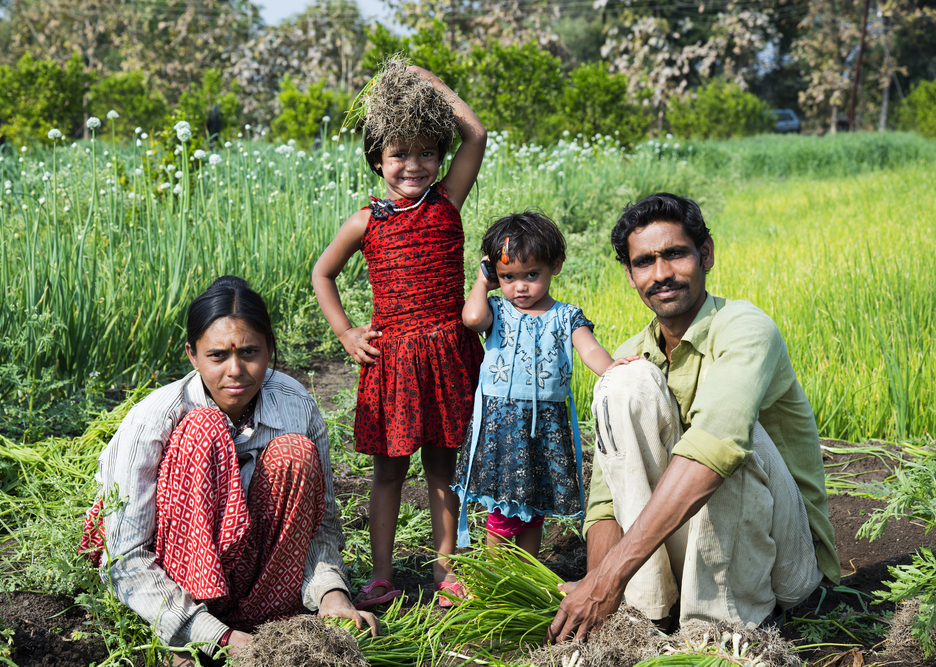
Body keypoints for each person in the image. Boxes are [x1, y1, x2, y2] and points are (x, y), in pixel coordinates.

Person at [547, 193, 840, 642]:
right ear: (629, 275)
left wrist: (609, 579)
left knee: (729, 442)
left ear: (706, 254)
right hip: (685, 556)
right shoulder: (628, 357)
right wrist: (595, 584)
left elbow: (715, 447)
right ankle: (643, 616)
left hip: (783, 564)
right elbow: (608, 498)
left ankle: (718, 631)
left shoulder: (744, 327)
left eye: (676, 254)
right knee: (622, 383)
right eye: (644, 261)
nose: (661, 274)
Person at [79, 276, 378, 665]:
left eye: (250, 352)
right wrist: (213, 636)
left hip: (261, 585)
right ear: (193, 355)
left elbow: (321, 523)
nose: (235, 370)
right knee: (204, 430)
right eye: (217, 355)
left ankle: (264, 623)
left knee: (295, 453)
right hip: (175, 585)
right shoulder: (154, 420)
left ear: (270, 349)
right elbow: (123, 557)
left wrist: (331, 594)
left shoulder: (295, 405)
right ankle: (190, 639)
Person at [312, 60, 485, 608]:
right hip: (392, 360)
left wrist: (425, 84)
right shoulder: (367, 220)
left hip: (446, 354)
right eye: (398, 154)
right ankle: (382, 574)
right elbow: (322, 274)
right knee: (387, 473)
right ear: (377, 160)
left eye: (426, 152)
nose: (414, 165)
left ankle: (446, 571)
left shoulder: (446, 202)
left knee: (442, 469)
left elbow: (475, 133)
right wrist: (345, 332)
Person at [452, 212, 632, 558]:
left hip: (546, 424)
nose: (520, 287)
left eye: (531, 275)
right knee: (504, 510)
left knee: (535, 509)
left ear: (556, 266)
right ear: (495, 276)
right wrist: (481, 281)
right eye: (508, 277)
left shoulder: (567, 316)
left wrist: (612, 369)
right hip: (503, 424)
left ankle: (527, 573)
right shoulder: (497, 310)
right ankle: (497, 577)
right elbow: (471, 319)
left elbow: (589, 349)